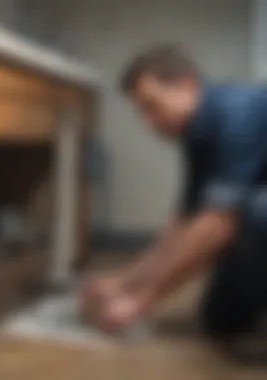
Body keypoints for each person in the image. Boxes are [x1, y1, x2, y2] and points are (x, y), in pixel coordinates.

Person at [80, 44, 267, 348]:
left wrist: (143, 300)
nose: (148, 121)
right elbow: (184, 222)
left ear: (186, 85)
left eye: (152, 106)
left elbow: (218, 223)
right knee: (219, 320)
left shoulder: (239, 112)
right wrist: (126, 280)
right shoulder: (196, 131)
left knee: (254, 212)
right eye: (142, 110)